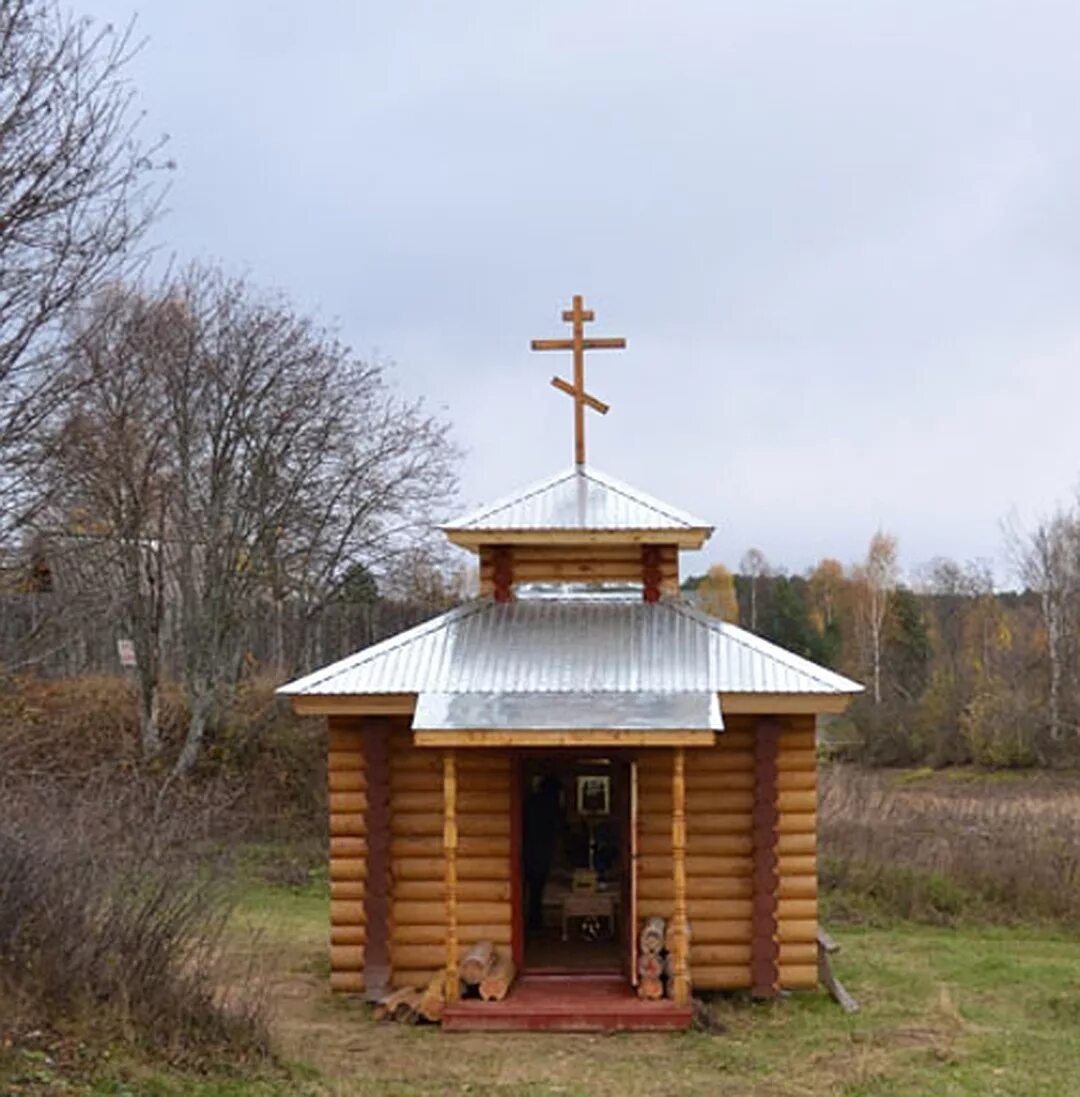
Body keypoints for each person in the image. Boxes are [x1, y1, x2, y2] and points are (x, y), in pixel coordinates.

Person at [523, 775, 562, 932]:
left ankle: (531, 923)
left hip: (529, 850)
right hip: (540, 852)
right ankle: (534, 923)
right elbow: (557, 827)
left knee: (530, 891)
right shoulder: (551, 805)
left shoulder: (531, 802)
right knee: (536, 891)